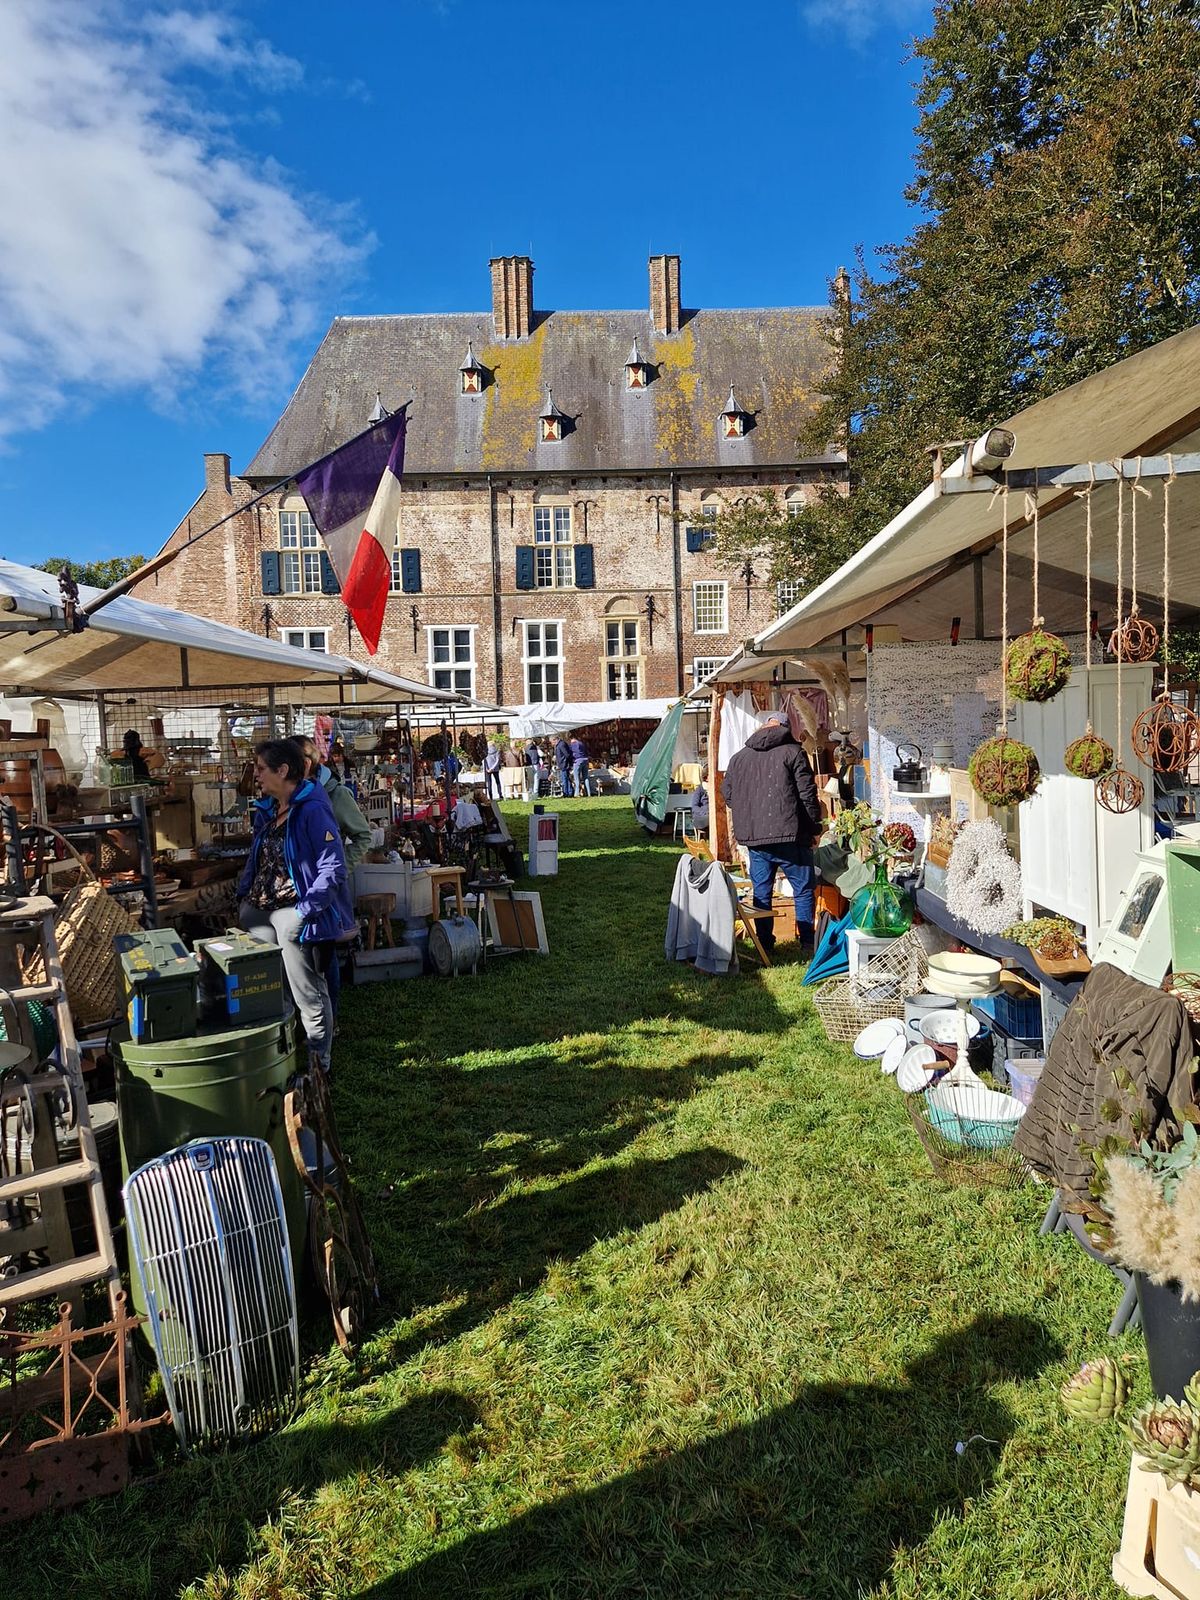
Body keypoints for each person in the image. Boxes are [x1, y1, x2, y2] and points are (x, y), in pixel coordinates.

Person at [237, 738, 354, 1068]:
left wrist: (304, 911)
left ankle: (320, 1065)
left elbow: (333, 866)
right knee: (275, 992)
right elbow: (257, 859)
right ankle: (283, 1059)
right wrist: (244, 898)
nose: (255, 775)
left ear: (283, 770)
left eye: (261, 769)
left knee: (309, 994)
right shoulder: (269, 810)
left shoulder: (313, 809)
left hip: (295, 915)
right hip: (262, 913)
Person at [721, 712, 823, 956]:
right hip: (791, 835)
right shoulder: (794, 752)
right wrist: (815, 829)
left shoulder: (739, 757)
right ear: (786, 728)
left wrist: (752, 813)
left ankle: (765, 944)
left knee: (762, 892)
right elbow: (807, 795)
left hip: (756, 838)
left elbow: (729, 795)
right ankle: (808, 943)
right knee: (802, 889)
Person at [690, 766, 710, 835]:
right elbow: (694, 806)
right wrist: (706, 812)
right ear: (706, 777)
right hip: (702, 817)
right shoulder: (699, 790)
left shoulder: (717, 788)